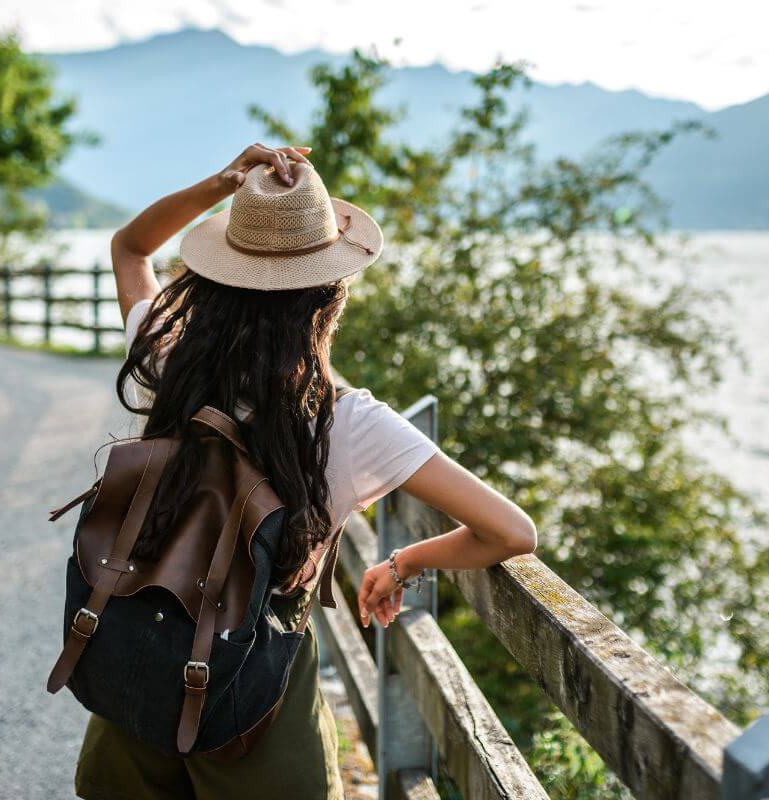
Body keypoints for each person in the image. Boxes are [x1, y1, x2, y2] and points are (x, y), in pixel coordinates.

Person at [74, 143, 537, 800]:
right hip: (255, 697)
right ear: (329, 297)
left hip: (142, 666)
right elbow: (510, 532)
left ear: (214, 278)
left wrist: (224, 183)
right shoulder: (350, 423)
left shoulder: (168, 359)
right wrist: (402, 563)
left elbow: (129, 247)